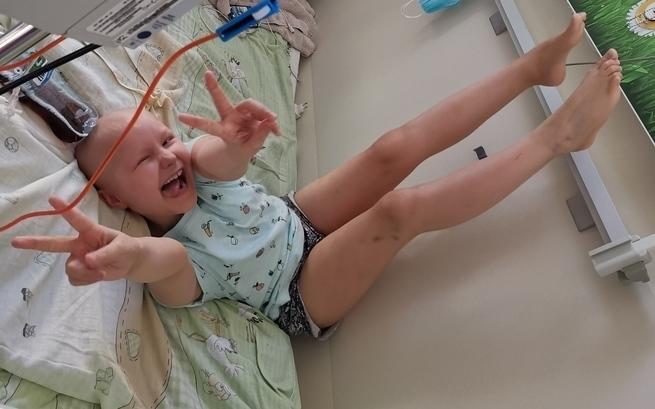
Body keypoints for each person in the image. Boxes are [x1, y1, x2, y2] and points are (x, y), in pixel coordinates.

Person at [12, 13, 623, 338]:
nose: (169, 157)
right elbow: (159, 263)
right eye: (145, 161)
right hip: (298, 292)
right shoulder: (175, 255)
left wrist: (238, 141)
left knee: (392, 148)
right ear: (116, 198)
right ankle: (559, 137)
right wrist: (127, 256)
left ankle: (531, 69)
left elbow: (223, 160)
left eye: (166, 140)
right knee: (397, 211)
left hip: (296, 214)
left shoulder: (192, 165)